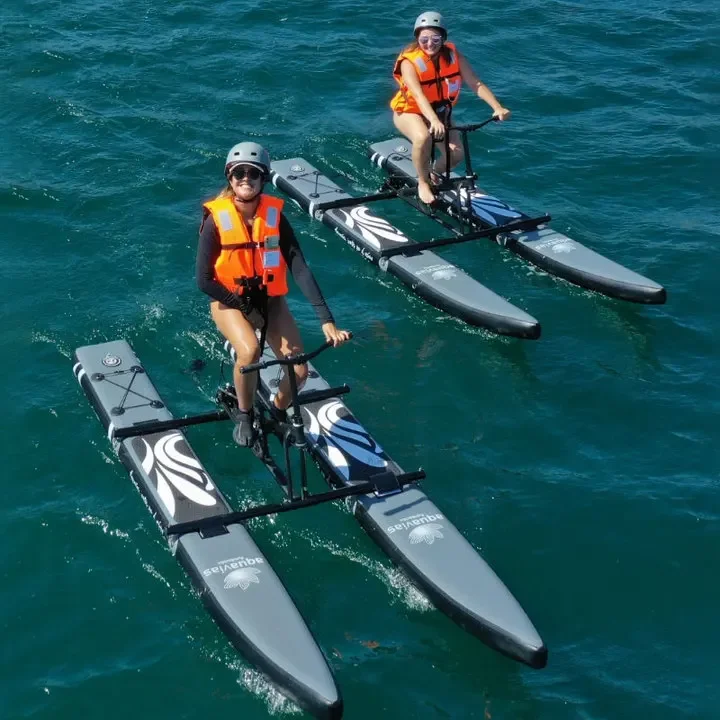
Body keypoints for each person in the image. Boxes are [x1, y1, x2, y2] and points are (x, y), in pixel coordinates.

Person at [196, 141, 350, 446]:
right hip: (229, 302)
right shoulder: (216, 221)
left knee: (300, 371)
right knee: (250, 351)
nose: (245, 178)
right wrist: (242, 306)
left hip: (270, 300)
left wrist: (326, 319)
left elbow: (299, 267)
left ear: (263, 178)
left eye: (253, 174)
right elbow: (204, 281)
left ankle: (279, 409)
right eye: (238, 172)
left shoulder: (274, 217)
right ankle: (244, 413)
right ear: (229, 176)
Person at [390, 11, 512, 205]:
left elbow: (475, 83)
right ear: (417, 39)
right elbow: (418, 96)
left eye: (435, 39)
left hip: (440, 112)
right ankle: (422, 182)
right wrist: (434, 120)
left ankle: (433, 172)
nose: (430, 44)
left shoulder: (454, 56)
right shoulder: (409, 62)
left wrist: (497, 107)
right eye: (424, 39)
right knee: (423, 137)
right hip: (410, 112)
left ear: (444, 38)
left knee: (456, 154)